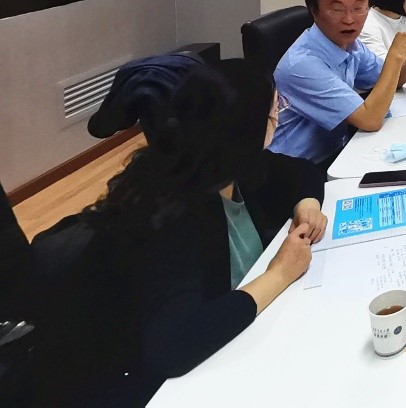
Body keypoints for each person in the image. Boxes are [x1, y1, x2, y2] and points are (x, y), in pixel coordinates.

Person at [31, 59, 327, 407]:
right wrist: (279, 273)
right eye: (276, 109)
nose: (279, 116)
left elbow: (301, 172)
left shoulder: (225, 161)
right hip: (148, 386)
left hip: (234, 346)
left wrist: (307, 204)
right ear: (249, 127)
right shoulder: (169, 215)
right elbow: (174, 345)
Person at [269, 0, 406, 165]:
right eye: (337, 9)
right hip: (298, 166)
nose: (349, 19)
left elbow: (395, 79)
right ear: (314, 11)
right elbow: (370, 120)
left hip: (340, 148)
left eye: (358, 8)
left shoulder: (350, 45)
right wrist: (395, 55)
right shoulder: (303, 65)